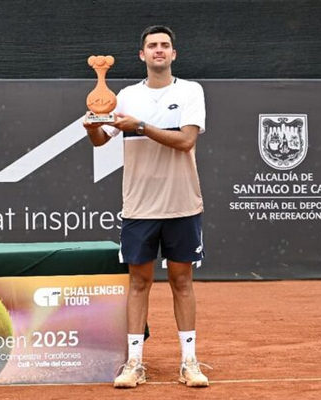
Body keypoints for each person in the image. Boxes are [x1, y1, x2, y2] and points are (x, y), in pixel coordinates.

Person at [83, 25, 209, 388]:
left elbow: (186, 141)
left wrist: (140, 126)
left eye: (165, 45)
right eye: (152, 45)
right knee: (139, 282)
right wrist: (91, 126)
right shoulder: (126, 96)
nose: (159, 50)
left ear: (173, 54)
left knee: (182, 281)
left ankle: (189, 362)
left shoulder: (190, 91)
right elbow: (100, 140)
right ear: (142, 55)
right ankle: (135, 363)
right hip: (139, 207)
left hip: (182, 204)